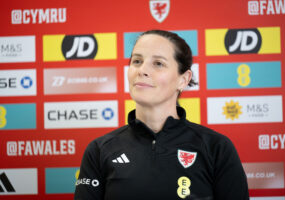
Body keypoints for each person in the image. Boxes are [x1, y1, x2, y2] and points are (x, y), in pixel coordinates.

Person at [74, 30, 249, 200]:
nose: (142, 70)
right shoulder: (99, 150)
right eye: (137, 61)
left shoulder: (217, 148)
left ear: (184, 79)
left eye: (158, 63)